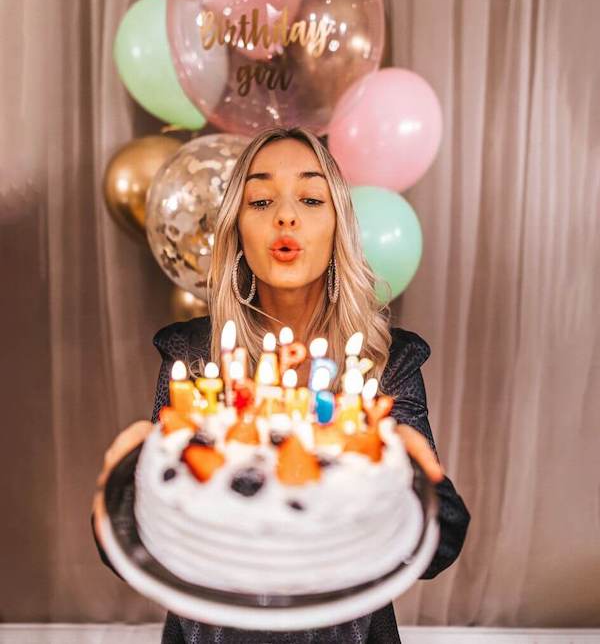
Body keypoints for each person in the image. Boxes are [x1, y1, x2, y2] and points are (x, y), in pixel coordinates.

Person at [93, 127, 471, 643]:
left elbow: (441, 543)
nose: (285, 216)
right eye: (262, 199)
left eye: (311, 198)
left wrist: (422, 485)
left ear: (339, 226)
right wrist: (115, 492)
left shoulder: (385, 363)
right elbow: (157, 536)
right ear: (237, 230)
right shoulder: (194, 358)